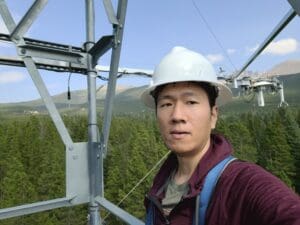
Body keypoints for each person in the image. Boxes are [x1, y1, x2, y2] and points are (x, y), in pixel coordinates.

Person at [140, 46, 300, 225]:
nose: (177, 116)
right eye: (166, 104)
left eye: (191, 102)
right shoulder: (161, 183)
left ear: (213, 115)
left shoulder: (241, 183)